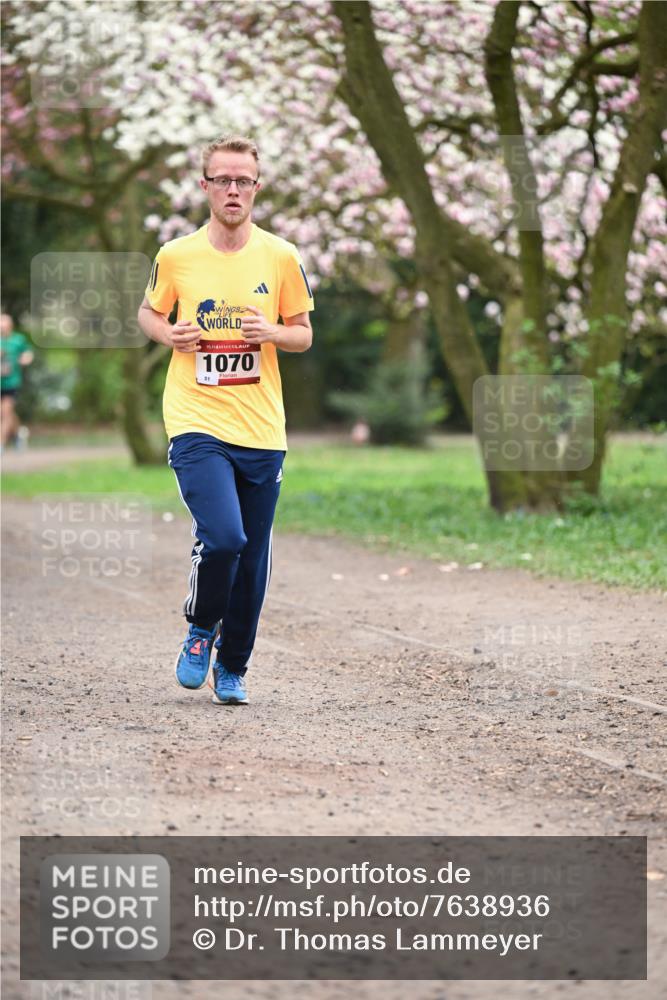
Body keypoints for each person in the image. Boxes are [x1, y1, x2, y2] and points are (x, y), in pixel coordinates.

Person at [138, 135, 314, 706]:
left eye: (244, 181)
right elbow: (149, 311)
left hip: (261, 428)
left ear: (257, 189)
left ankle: (233, 665)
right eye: (223, 180)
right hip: (195, 419)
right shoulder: (177, 254)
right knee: (224, 538)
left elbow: (304, 334)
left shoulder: (281, 256)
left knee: (254, 556)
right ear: (206, 186)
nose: (234, 190)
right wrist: (169, 333)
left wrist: (273, 334)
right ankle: (199, 628)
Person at [1, 313, 33, 449]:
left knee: (6, 412)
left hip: (12, 382)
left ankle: (1, 443)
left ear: (10, 325)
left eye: (4, 323)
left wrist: (24, 359)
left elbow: (28, 354)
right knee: (6, 413)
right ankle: (19, 435)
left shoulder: (18, 340)